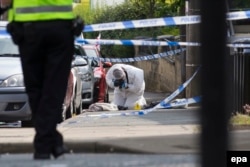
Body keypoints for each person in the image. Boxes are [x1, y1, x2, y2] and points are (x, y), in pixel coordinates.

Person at [6, 0, 83, 160]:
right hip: (59, 27)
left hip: (28, 28)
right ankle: (50, 141)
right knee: (54, 87)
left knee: (35, 87)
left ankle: (45, 143)